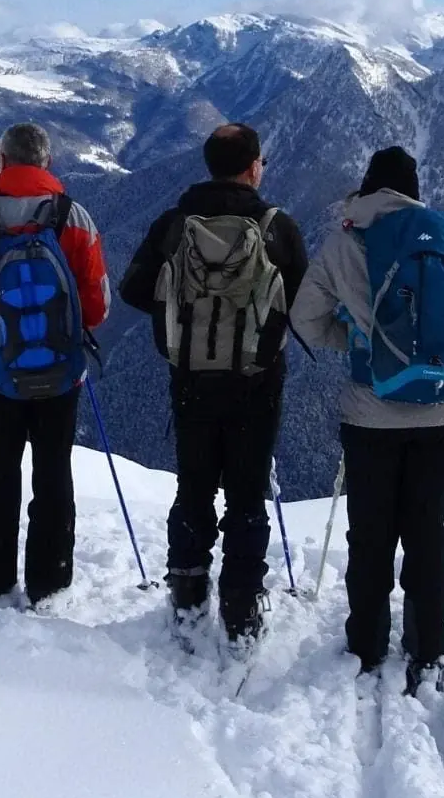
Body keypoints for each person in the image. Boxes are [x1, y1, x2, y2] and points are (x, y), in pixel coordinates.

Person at [289, 147, 444, 695]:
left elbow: (306, 320)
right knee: (427, 534)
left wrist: (358, 346)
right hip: (441, 413)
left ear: (367, 189)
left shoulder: (346, 240)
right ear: (413, 189)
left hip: (369, 414)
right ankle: (427, 646)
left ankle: (366, 643)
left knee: (371, 534)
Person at [118, 123, 308, 649]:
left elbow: (133, 288)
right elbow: (305, 302)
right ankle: (242, 605)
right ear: (252, 167)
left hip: (191, 379)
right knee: (248, 492)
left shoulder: (174, 225)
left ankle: (186, 590)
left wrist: (182, 311)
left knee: (194, 485)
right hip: (257, 382)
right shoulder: (278, 227)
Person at [0, 122, 110, 609]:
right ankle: (49, 581)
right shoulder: (73, 219)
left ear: (1, 161)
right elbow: (97, 303)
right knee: (53, 470)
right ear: (47, 162)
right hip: (62, 373)